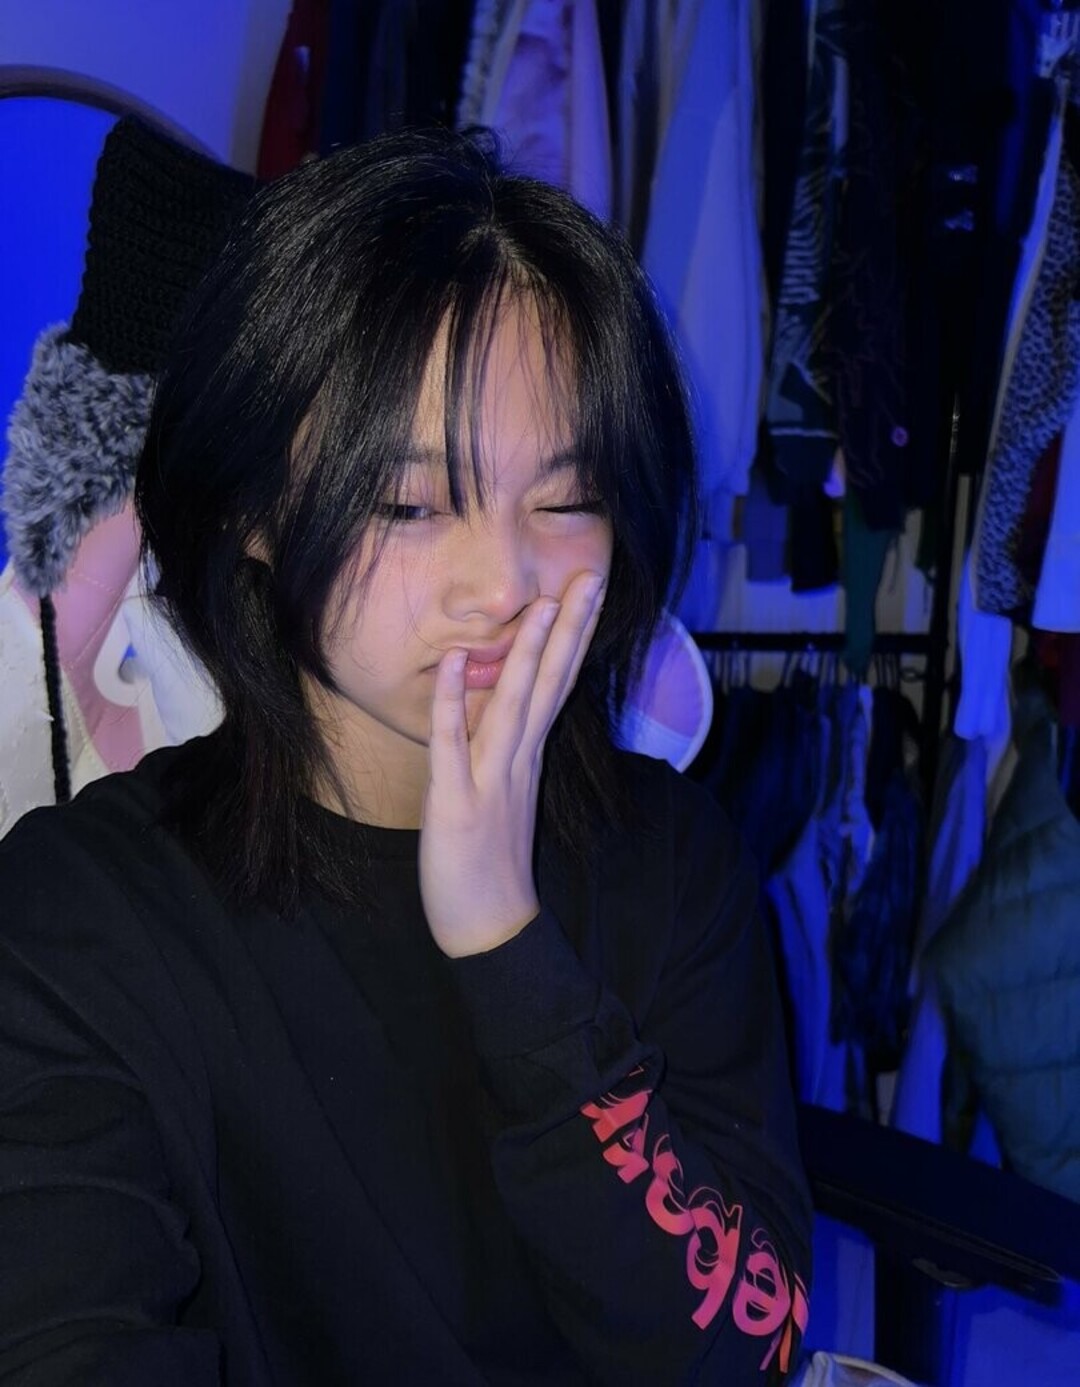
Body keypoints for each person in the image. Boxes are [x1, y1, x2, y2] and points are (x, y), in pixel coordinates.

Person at [0, 126, 811, 1385]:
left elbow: (750, 1348)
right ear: (251, 511)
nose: (506, 583)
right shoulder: (83, 915)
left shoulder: (674, 862)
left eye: (565, 499)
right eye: (411, 504)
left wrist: (509, 953)